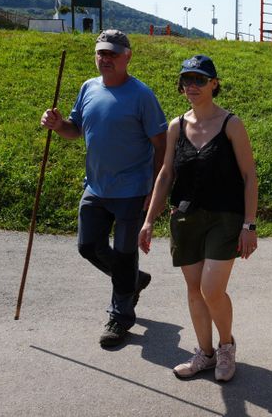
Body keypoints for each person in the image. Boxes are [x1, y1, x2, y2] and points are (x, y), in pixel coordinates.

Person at [40, 30, 167, 347]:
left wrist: (154, 187)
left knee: (124, 256)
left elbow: (161, 144)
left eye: (112, 53)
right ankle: (133, 281)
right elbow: (75, 129)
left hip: (132, 190)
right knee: (88, 246)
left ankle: (120, 317)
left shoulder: (141, 96)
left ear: (127, 56)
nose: (105, 58)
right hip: (96, 187)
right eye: (101, 53)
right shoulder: (88, 88)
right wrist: (58, 126)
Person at [138, 55, 258, 382]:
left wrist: (249, 224)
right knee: (194, 290)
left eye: (199, 79)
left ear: (214, 84)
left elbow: (249, 176)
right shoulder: (176, 125)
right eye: (187, 79)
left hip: (225, 218)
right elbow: (166, 174)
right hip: (186, 218)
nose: (192, 85)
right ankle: (205, 354)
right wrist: (149, 220)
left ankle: (226, 347)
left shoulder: (231, 124)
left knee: (211, 290)